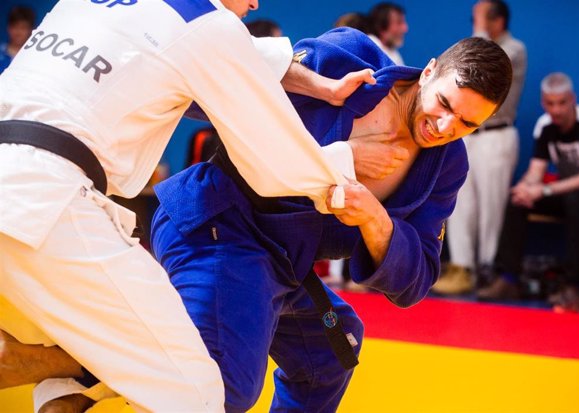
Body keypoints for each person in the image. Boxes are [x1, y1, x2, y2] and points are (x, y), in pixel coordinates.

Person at [5, 28, 513, 412]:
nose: (445, 127)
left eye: (468, 123)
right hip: (220, 225)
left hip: (284, 265)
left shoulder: (446, 165)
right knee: (222, 386)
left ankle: (70, 377)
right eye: (445, 104)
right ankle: (67, 358)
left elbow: (416, 278)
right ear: (427, 73)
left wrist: (375, 220)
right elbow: (221, 91)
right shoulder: (345, 59)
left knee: (334, 351)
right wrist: (336, 156)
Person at [0, 0, 378, 411]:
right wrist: (346, 179)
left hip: (28, 193)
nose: (254, 3)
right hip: (45, 202)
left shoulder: (98, 6)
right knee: (196, 395)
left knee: (72, 370)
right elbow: (276, 155)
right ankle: (46, 361)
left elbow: (239, 54)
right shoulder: (209, 26)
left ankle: (48, 365)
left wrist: (322, 88)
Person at [477, 72, 579, 311]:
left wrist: (542, 190)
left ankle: (574, 287)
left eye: (562, 102)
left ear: (572, 99)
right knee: (517, 200)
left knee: (577, 200)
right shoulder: (545, 125)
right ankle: (509, 280)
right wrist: (525, 188)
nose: (556, 110)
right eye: (550, 103)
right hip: (566, 192)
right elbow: (536, 171)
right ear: (544, 103)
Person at [433, 0, 527, 295]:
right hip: (467, 133)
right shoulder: (483, 42)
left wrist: (480, 28)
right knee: (458, 203)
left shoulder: (514, 49)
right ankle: (462, 267)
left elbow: (482, 66)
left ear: (496, 21)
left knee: (491, 208)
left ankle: (488, 269)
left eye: (483, 17)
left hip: (497, 136)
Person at [0, 5, 35, 73]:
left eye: (23, 28)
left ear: (32, 30)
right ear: (8, 28)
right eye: (15, 27)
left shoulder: (36, 56)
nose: (18, 32)